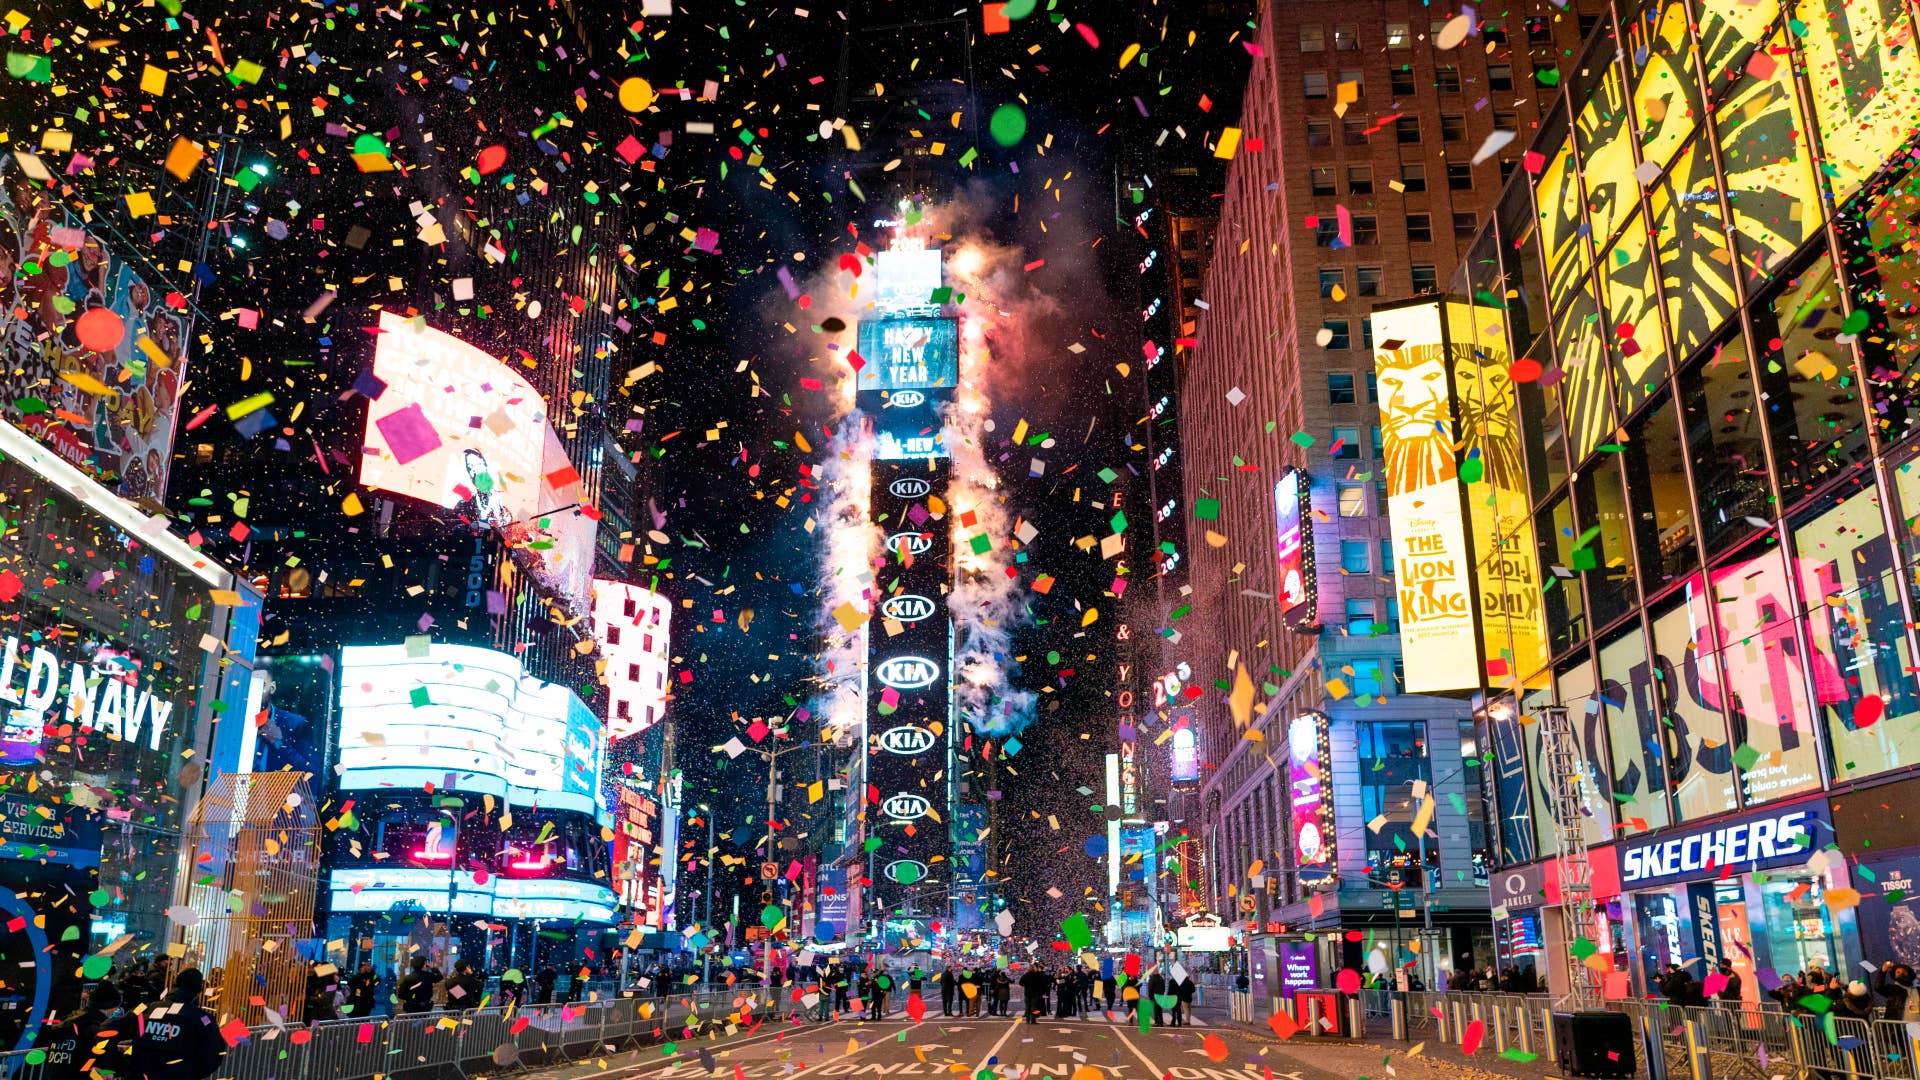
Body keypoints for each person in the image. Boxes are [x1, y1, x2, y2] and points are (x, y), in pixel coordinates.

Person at [131, 967, 226, 1080]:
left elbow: (111, 1027)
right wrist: (192, 1074)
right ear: (198, 989)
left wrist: (124, 1066)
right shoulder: (203, 1018)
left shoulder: (148, 1008)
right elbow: (214, 1052)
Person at [37, 981, 129, 1080]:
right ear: (110, 1007)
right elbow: (109, 1061)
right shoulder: (97, 1028)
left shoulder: (67, 1021)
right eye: (116, 1008)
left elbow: (82, 1050)